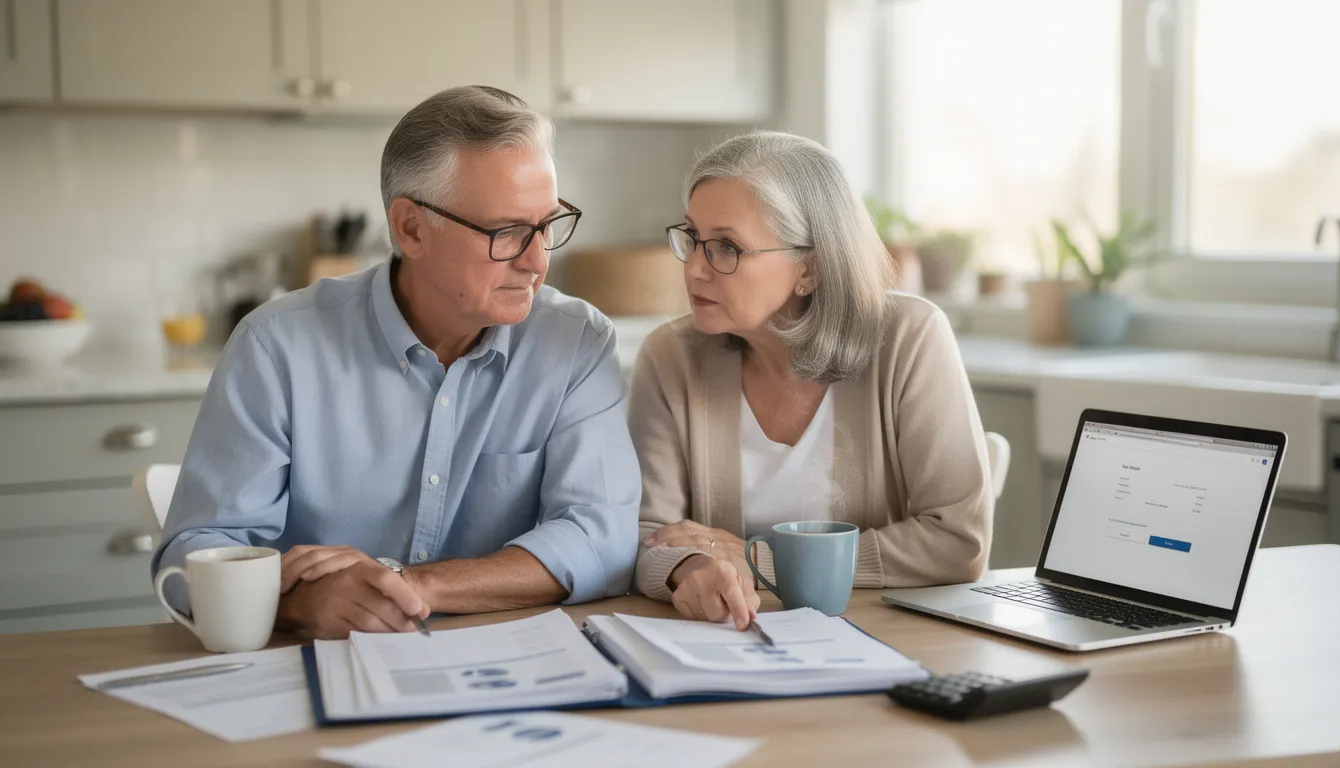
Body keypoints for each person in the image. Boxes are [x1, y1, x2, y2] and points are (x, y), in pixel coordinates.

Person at [152, 86, 641, 639]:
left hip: (507, 672)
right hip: (307, 675)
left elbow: (602, 539)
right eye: (506, 232)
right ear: (411, 228)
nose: (538, 259)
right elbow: (190, 559)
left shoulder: (575, 342)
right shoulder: (276, 347)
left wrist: (408, 584)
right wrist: (300, 604)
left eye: (547, 225)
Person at [631, 131, 993, 629]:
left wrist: (760, 562)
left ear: (811, 270)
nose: (694, 268)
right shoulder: (670, 356)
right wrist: (692, 569)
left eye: (726, 247)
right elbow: (647, 534)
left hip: (882, 638)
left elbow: (958, 542)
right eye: (692, 238)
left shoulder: (910, 339)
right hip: (728, 638)